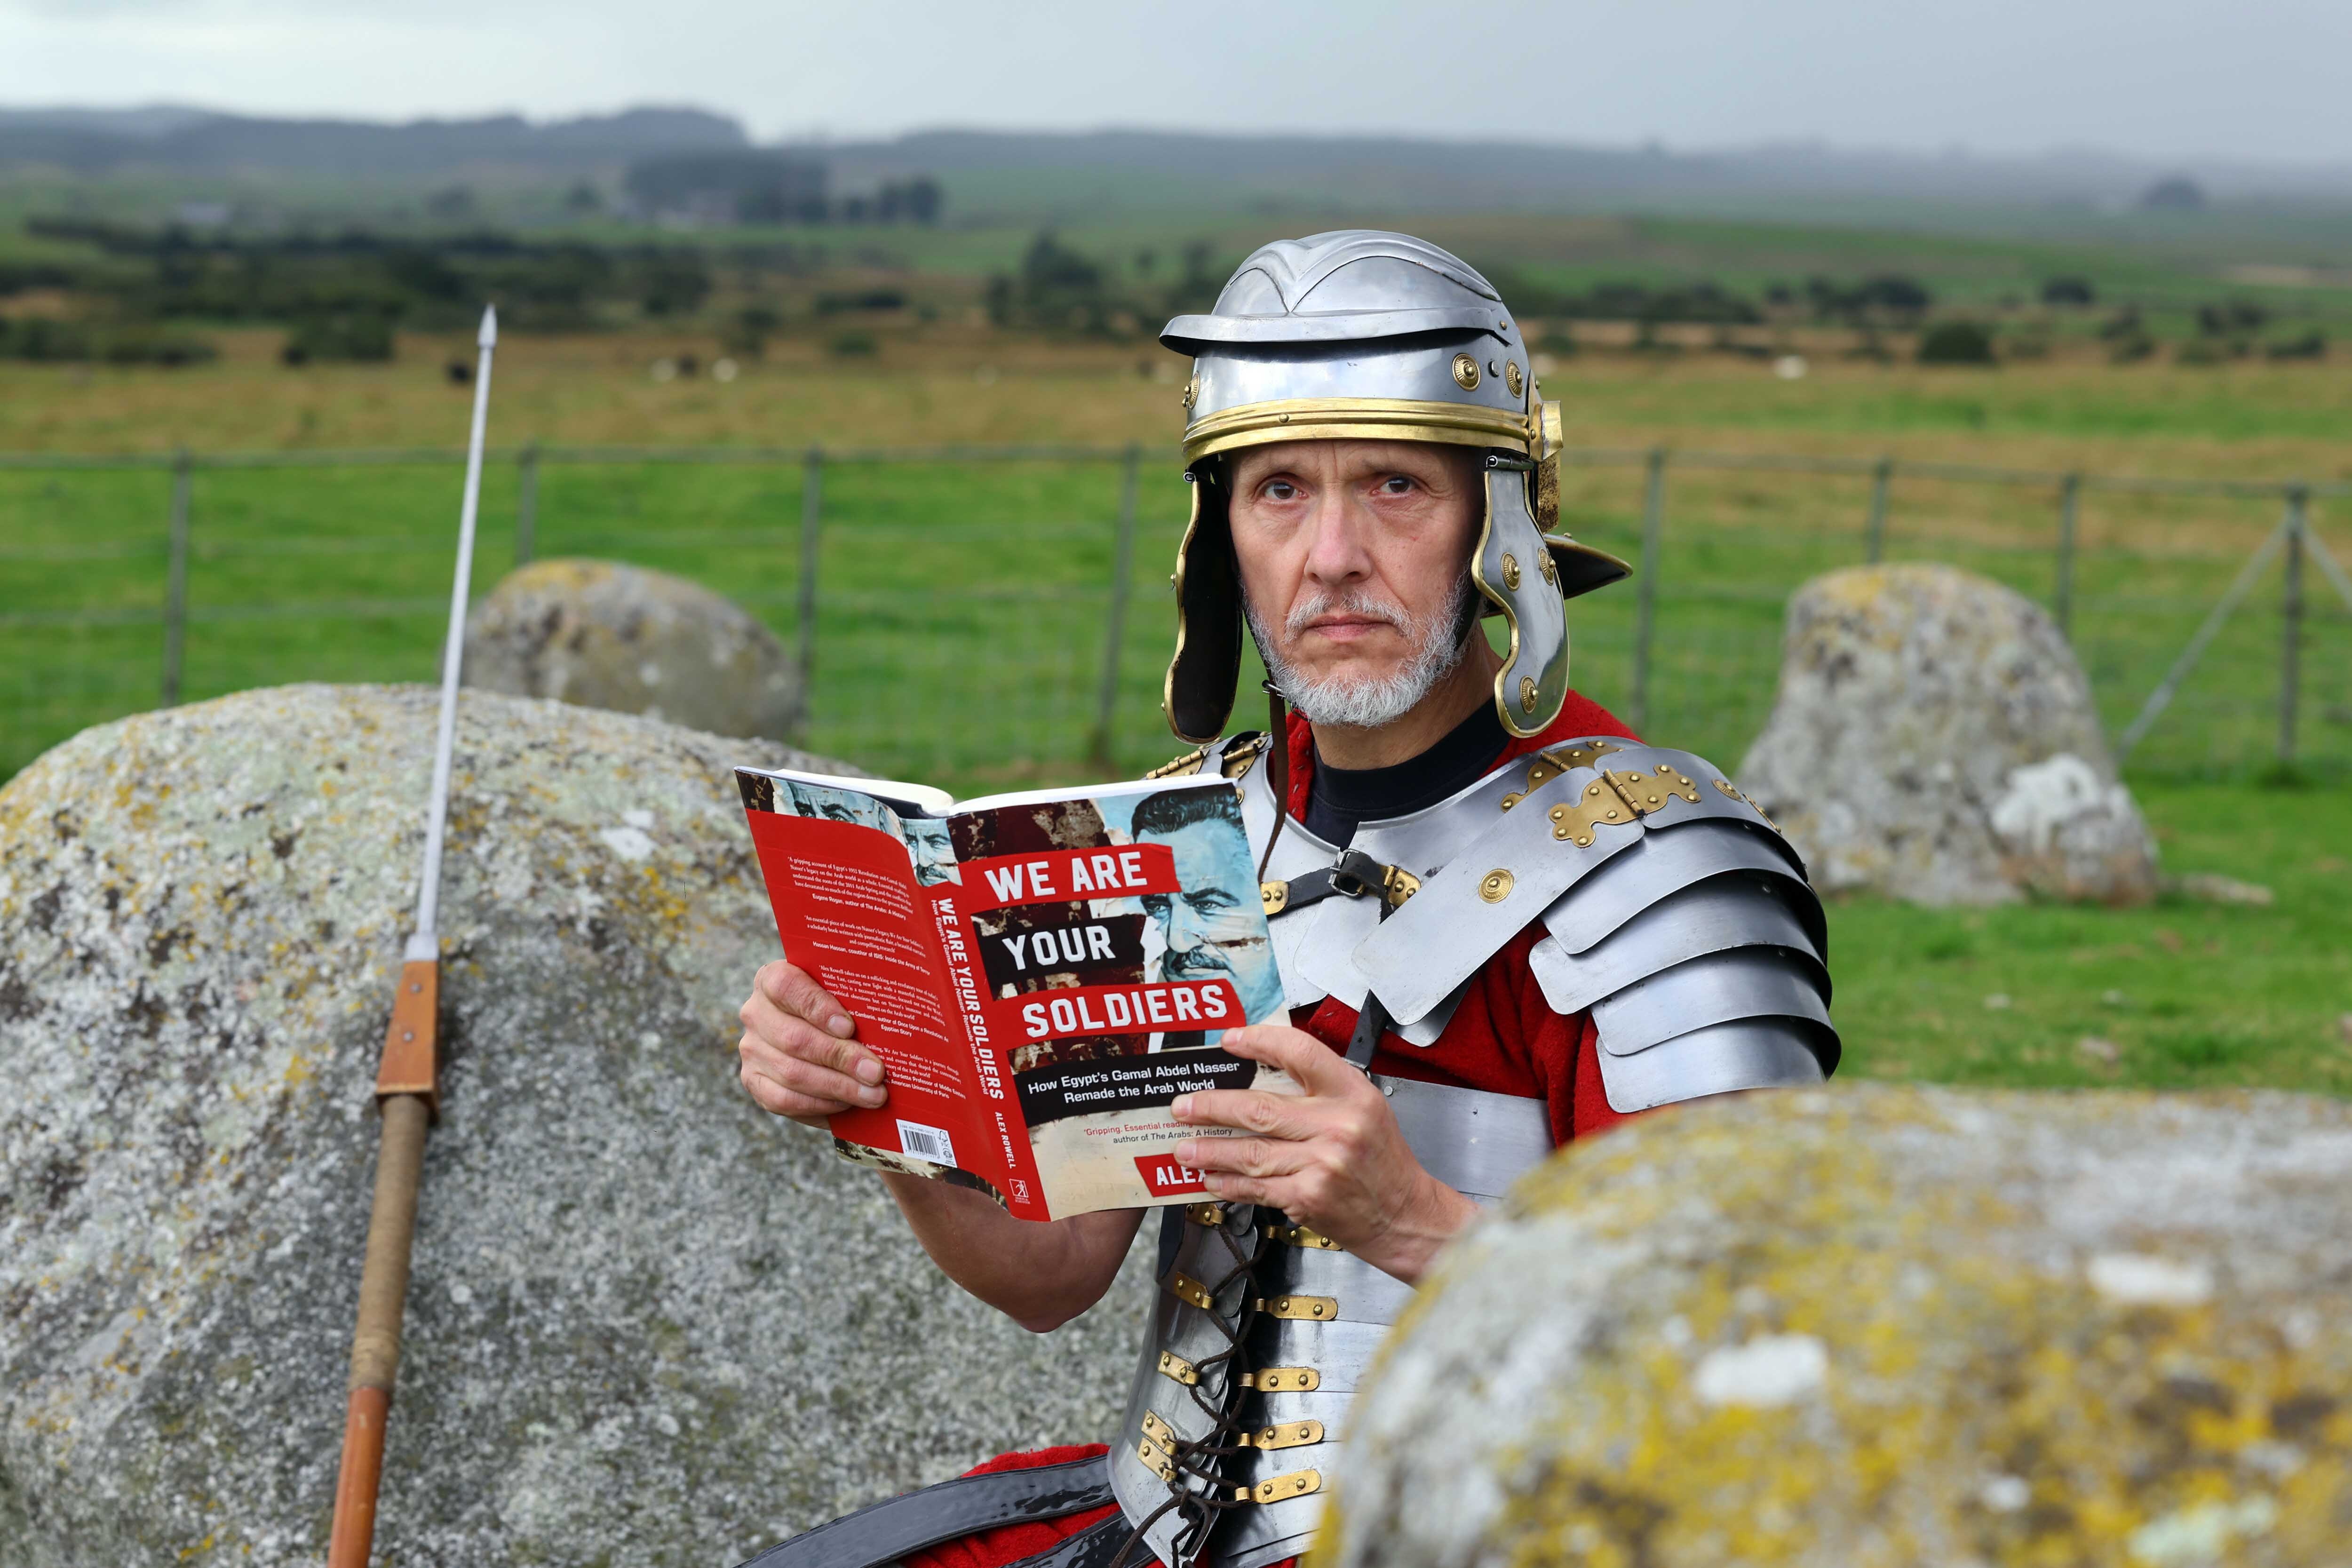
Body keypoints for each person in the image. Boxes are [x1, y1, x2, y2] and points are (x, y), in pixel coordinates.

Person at [734, 231, 1837, 1568]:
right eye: (1278, 493)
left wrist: (1410, 1220)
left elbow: (1742, 1336)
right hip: (1170, 1531)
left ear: (1502, 524)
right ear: (1222, 543)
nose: (1333, 556)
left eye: (1393, 486)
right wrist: (892, 1110)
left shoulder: (1662, 874)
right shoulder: (1183, 838)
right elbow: (1054, 1275)